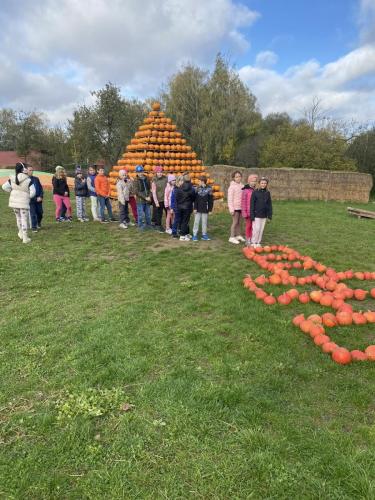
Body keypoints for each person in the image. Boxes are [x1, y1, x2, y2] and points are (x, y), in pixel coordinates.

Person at [2, 162, 36, 243]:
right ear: (23, 169)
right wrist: (28, 196)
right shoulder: (28, 180)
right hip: (24, 202)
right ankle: (25, 238)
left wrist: (12, 192)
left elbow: (4, 187)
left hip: (14, 202)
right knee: (24, 219)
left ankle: (20, 233)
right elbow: (33, 192)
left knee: (18, 218)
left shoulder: (12, 179)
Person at [250, 177, 273, 248]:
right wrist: (252, 215)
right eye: (262, 183)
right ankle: (253, 242)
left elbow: (269, 205)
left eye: (265, 183)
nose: (263, 184)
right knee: (256, 229)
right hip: (256, 214)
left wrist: (269, 216)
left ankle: (258, 242)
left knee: (261, 229)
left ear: (267, 184)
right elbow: (252, 204)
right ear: (259, 183)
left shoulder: (267, 193)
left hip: (264, 215)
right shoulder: (255, 192)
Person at [192, 176, 214, 241]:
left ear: (203, 182)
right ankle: (194, 235)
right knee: (196, 222)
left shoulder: (209, 189)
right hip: (198, 208)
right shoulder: (197, 188)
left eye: (199, 181)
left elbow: (211, 200)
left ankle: (204, 235)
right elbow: (195, 200)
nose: (198, 182)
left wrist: (210, 209)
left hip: (205, 208)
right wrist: (195, 208)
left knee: (204, 222)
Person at [176, 172, 195, 241]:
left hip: (180, 206)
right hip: (187, 207)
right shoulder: (192, 189)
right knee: (185, 221)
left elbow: (177, 197)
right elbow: (193, 198)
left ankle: (186, 233)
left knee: (182, 220)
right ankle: (182, 235)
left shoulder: (179, 188)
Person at [227, 170, 245, 245]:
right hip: (235, 208)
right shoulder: (231, 187)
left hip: (241, 207)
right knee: (235, 222)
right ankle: (231, 237)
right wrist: (231, 209)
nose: (238, 178)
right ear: (233, 178)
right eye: (236, 177)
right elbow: (230, 199)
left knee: (239, 222)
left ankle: (238, 235)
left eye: (239, 176)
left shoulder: (242, 186)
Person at [241, 174, 258, 246]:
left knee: (254, 226)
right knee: (249, 226)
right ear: (249, 181)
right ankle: (248, 239)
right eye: (252, 181)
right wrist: (244, 212)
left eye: (255, 181)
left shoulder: (257, 190)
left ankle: (253, 239)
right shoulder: (245, 190)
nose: (253, 183)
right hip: (248, 212)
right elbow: (243, 202)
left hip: (255, 212)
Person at [133, 165, 152, 230]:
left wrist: (149, 196)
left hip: (147, 200)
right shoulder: (135, 180)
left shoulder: (147, 179)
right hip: (140, 200)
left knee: (148, 214)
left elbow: (150, 188)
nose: (140, 173)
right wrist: (145, 197)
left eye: (141, 171)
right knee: (140, 214)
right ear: (136, 173)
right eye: (138, 172)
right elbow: (137, 191)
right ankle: (140, 225)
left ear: (143, 171)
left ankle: (149, 224)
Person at [27, 165, 44, 232]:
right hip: (31, 199)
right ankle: (34, 227)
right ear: (26, 171)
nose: (31, 171)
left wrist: (41, 196)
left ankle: (38, 222)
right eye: (30, 170)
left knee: (40, 212)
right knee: (33, 213)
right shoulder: (25, 180)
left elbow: (40, 188)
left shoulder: (36, 179)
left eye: (32, 170)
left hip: (38, 198)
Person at [151, 165, 168, 232]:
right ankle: (158, 225)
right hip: (158, 200)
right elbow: (154, 193)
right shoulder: (154, 181)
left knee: (168, 212)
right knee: (159, 213)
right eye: (158, 172)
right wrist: (156, 202)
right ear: (156, 172)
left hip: (165, 199)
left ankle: (169, 225)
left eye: (161, 172)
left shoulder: (165, 179)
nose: (160, 173)